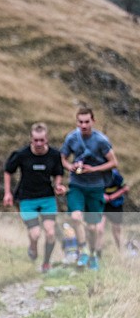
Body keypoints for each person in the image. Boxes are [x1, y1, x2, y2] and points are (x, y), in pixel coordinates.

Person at [59, 107, 119, 271]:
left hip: (95, 187)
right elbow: (62, 158)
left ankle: (94, 256)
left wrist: (93, 169)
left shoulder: (101, 140)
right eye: (80, 122)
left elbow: (114, 163)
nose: (83, 125)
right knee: (76, 218)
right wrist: (71, 166)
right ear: (76, 122)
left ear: (93, 121)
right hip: (77, 185)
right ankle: (83, 250)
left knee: (93, 228)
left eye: (87, 122)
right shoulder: (72, 138)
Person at [3, 122, 66, 273]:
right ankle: (33, 247)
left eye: (41, 140)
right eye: (35, 140)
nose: (38, 143)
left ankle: (46, 263)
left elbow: (58, 173)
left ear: (47, 139)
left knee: (50, 232)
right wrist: (7, 193)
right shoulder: (22, 154)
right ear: (31, 139)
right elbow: (7, 170)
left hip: (47, 198)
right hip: (27, 199)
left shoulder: (55, 155)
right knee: (36, 233)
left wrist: (58, 186)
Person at [96, 168, 130, 253]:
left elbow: (126, 189)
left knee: (116, 230)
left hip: (115, 204)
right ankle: (97, 254)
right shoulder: (94, 175)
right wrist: (101, 195)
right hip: (101, 204)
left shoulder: (115, 175)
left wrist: (112, 197)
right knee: (99, 229)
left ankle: (122, 252)